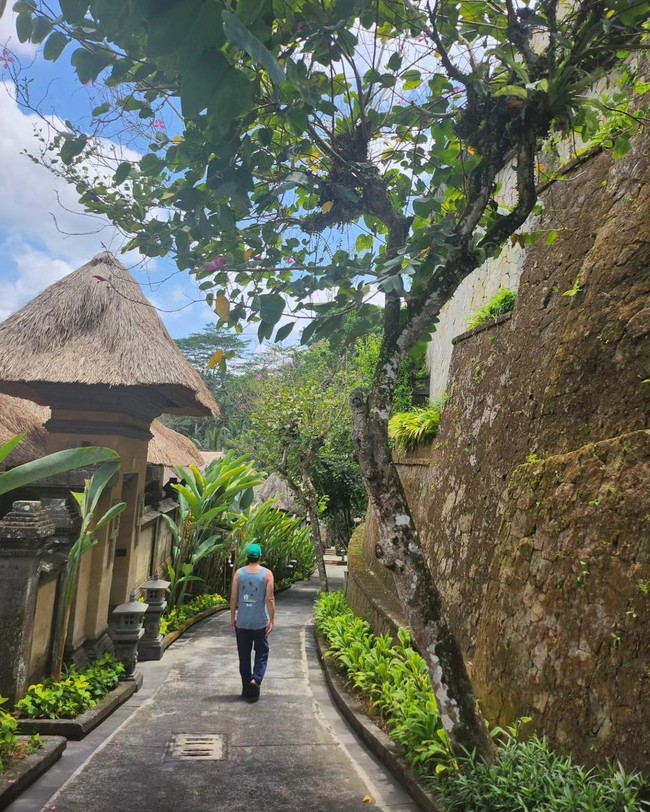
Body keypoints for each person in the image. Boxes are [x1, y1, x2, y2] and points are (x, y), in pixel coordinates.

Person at [230, 542, 275, 702]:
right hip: (259, 623)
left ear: (247, 557)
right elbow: (270, 599)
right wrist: (272, 620)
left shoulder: (238, 574)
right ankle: (255, 680)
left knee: (244, 656)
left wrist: (232, 618)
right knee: (262, 653)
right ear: (260, 557)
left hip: (242, 622)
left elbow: (234, 597)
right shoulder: (267, 574)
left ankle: (246, 688)